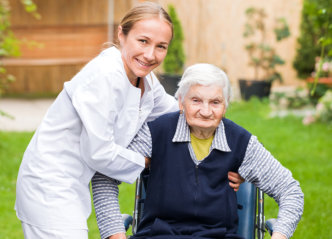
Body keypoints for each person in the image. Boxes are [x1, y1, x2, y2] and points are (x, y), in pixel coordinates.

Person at [14, 3, 243, 239]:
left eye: (160, 46)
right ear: (121, 34)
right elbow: (99, 153)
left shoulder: (145, 80)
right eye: (143, 41)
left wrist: (229, 159)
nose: (150, 54)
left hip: (75, 182)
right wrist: (152, 159)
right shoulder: (104, 77)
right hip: (50, 184)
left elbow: (185, 113)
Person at [93, 64, 304, 239]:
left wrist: (280, 235)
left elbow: (290, 191)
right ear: (180, 102)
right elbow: (105, 176)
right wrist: (115, 234)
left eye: (215, 102)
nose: (205, 111)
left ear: (226, 105)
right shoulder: (156, 133)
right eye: (196, 100)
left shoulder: (240, 142)